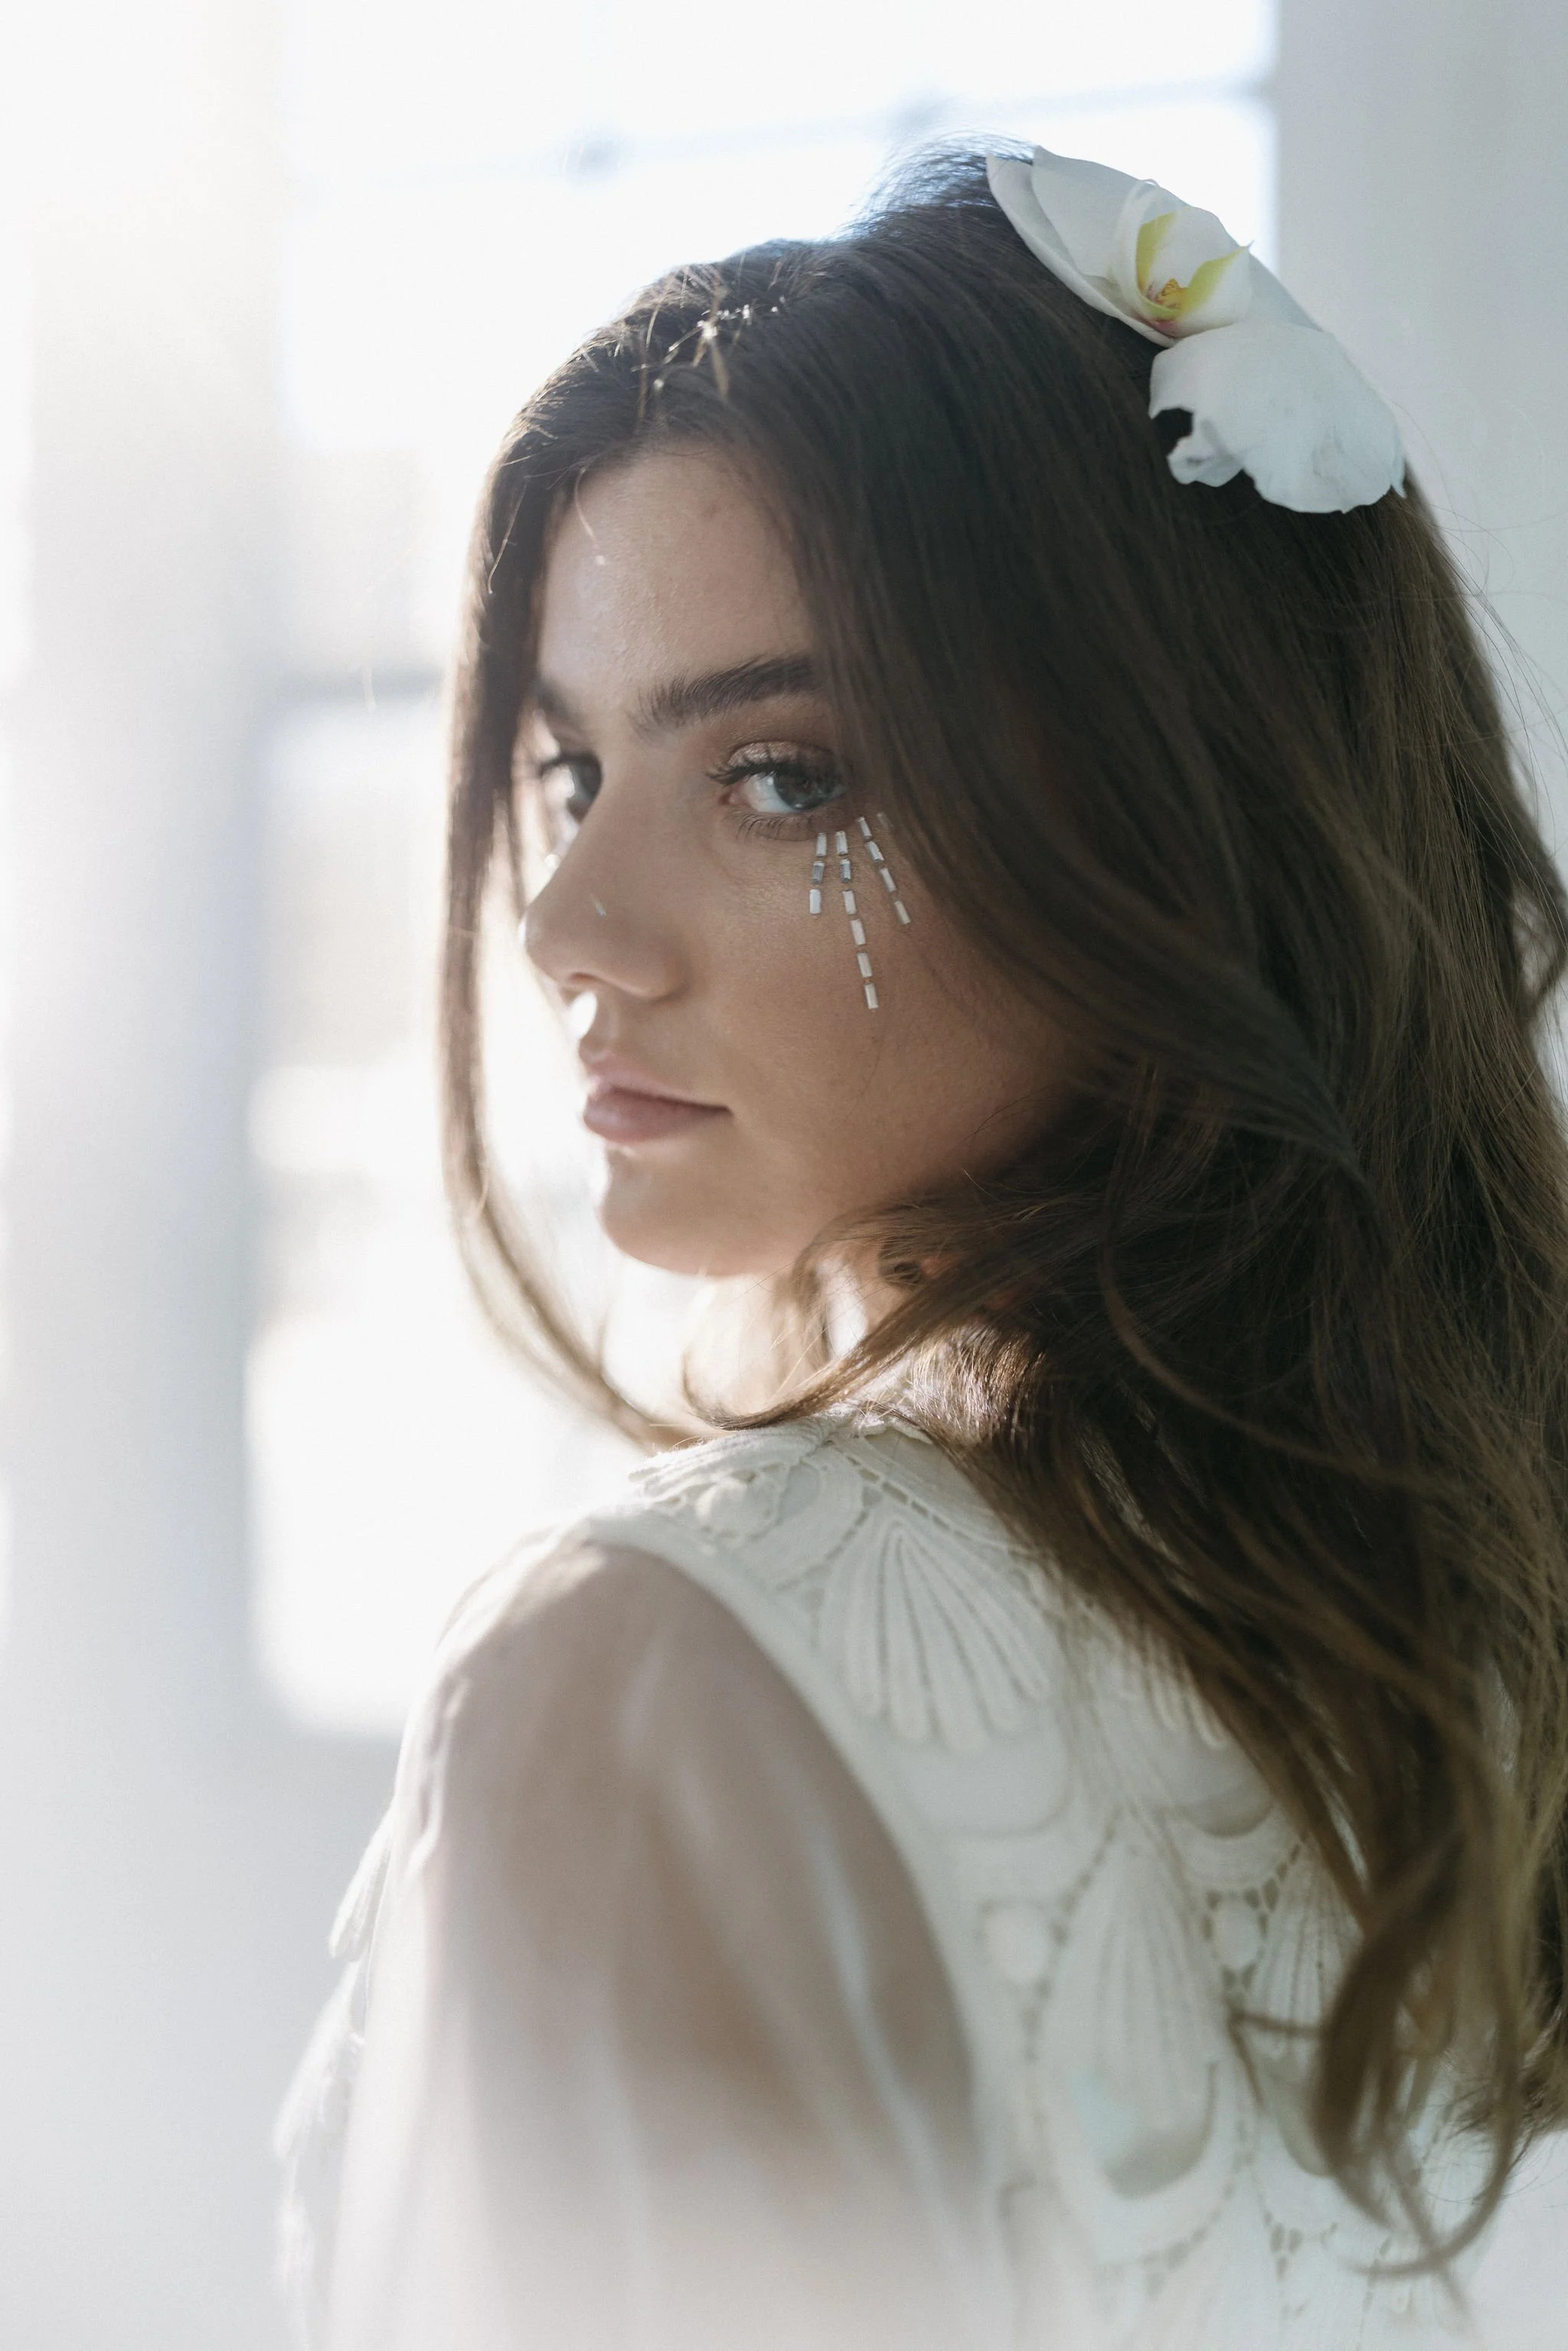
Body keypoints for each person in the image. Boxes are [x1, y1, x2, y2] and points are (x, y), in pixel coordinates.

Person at [276, 147, 1568, 2347]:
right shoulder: (1438, 1658)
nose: (571, 929)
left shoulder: (644, 1671)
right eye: (577, 775)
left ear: (1171, 826)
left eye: (781, 776)